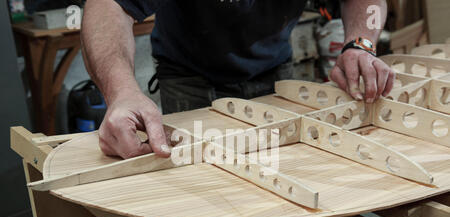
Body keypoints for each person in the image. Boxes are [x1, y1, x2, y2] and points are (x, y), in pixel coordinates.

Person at [81, 0, 395, 159]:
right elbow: (109, 5)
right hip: (190, 75)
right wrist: (121, 92)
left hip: (276, 71)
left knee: (282, 180)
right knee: (200, 202)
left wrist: (361, 44)